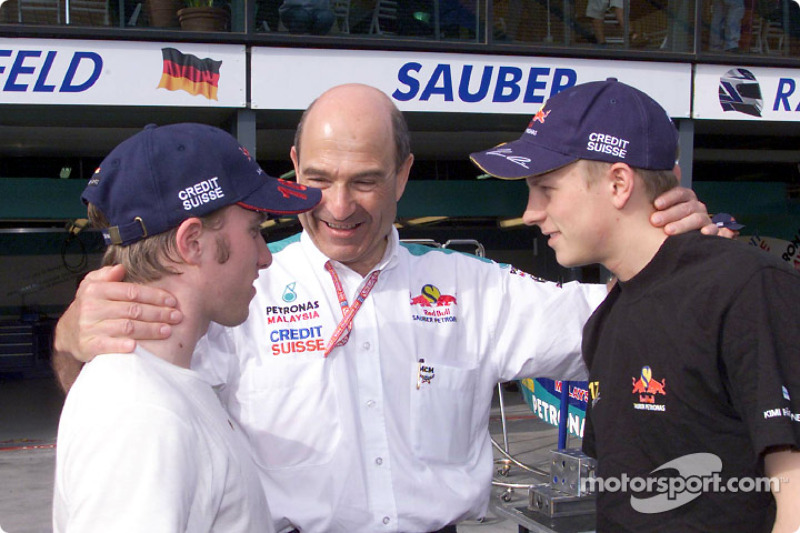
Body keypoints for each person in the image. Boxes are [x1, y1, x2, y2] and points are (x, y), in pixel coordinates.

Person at [52, 84, 716, 533]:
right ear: (293, 166)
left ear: (402, 173)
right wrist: (71, 338)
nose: (339, 207)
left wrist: (683, 251)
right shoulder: (234, 290)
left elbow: (629, 315)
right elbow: (127, 413)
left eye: (365, 180)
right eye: (318, 181)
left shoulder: (469, 287)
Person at [470, 78, 800, 532]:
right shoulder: (608, 315)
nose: (530, 212)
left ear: (619, 183)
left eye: (545, 189)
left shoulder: (746, 288)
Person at [52, 123, 321, 532]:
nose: (266, 258)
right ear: (193, 242)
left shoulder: (162, 386)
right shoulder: (141, 414)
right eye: (254, 232)